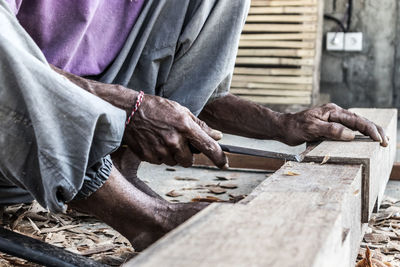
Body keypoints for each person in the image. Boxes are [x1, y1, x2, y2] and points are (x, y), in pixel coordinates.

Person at [0, 0, 388, 250]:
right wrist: (131, 105)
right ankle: (144, 218)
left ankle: (115, 174)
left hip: (80, 145)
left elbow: (187, 93)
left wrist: (282, 124)